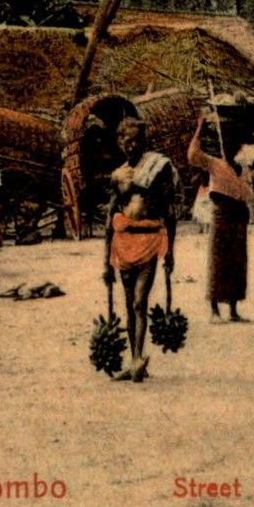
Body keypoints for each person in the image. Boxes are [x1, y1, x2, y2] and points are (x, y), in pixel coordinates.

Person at [102, 118, 178, 382]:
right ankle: (135, 358)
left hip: (149, 241)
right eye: (125, 141)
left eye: (135, 141)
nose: (130, 146)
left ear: (143, 142)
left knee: (139, 301)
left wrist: (170, 252)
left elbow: (170, 212)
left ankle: (137, 358)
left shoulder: (158, 167)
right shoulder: (119, 174)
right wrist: (104, 262)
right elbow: (111, 215)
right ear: (120, 143)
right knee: (127, 303)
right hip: (123, 242)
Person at [189, 116, 252, 322]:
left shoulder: (243, 168)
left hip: (238, 215)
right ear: (224, 145)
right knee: (218, 260)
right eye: (231, 143)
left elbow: (247, 192)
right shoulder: (215, 163)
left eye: (237, 144)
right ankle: (215, 310)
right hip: (221, 213)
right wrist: (200, 128)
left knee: (237, 261)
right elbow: (193, 155)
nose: (234, 147)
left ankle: (233, 309)